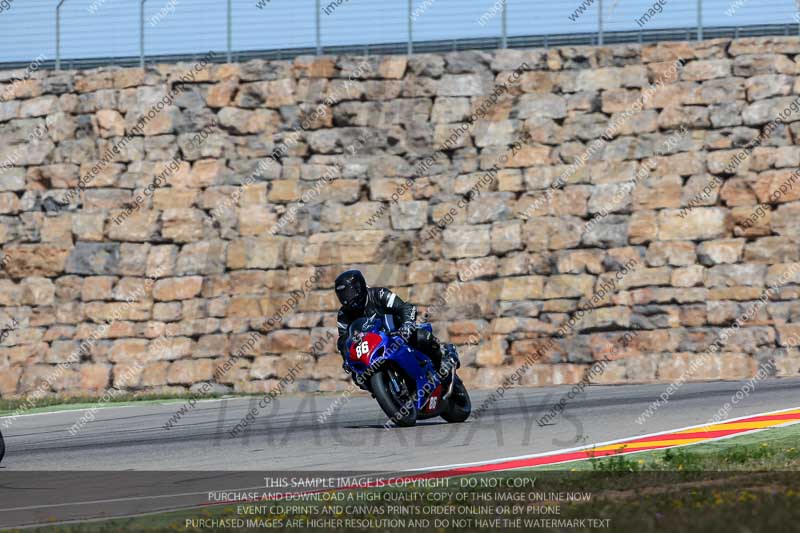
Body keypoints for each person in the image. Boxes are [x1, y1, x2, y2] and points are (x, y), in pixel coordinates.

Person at [334, 270, 457, 387]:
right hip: (372, 349)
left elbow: (405, 307)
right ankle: (389, 390)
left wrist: (407, 324)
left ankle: (442, 360)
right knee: (357, 375)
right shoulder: (343, 314)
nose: (347, 299)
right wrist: (347, 358)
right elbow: (344, 340)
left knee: (421, 337)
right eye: (343, 295)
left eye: (349, 293)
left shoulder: (379, 294)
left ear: (359, 287)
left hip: (397, 335)